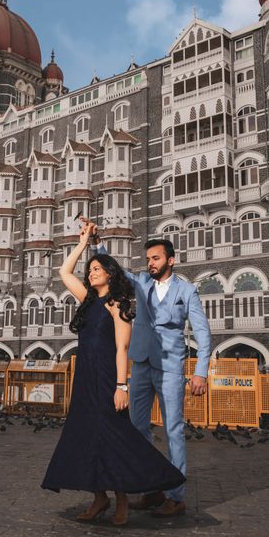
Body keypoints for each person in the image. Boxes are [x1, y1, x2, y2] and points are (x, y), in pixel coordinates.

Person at [42, 222, 184, 526]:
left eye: (97, 268)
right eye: (90, 269)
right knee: (85, 436)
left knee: (113, 438)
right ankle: (99, 497)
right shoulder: (88, 300)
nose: (91, 272)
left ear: (110, 274)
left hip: (108, 378)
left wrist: (122, 386)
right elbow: (65, 273)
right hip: (84, 378)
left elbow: (122, 349)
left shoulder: (117, 305)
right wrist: (82, 243)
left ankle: (121, 497)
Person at [85, 217, 211, 518]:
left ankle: (176, 496)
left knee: (173, 430)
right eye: (148, 259)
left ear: (171, 259)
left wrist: (201, 371)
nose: (150, 263)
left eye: (155, 258)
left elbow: (203, 334)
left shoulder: (187, 291)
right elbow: (116, 271)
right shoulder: (141, 282)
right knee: (137, 428)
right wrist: (97, 242)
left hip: (169, 367)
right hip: (140, 364)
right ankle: (151, 488)